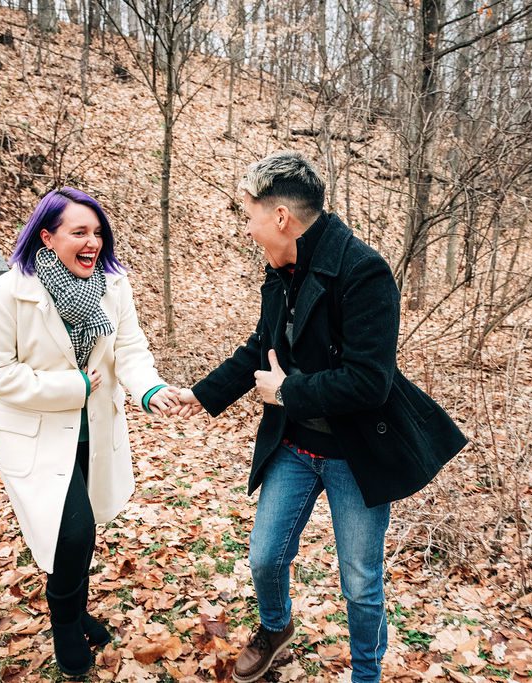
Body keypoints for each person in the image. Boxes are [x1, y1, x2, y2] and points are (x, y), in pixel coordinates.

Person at [175, 152, 468, 683]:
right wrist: (201, 394)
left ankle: (365, 674)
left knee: (360, 581)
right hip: (294, 447)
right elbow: (260, 348)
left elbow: (369, 380)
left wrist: (287, 391)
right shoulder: (281, 271)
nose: (247, 229)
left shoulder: (362, 271)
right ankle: (275, 627)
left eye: (249, 215)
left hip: (354, 455)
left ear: (281, 217)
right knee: (265, 559)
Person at [0, 187, 180, 677]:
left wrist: (148, 389)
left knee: (82, 534)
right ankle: (65, 621)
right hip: (36, 435)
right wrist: (75, 386)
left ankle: (76, 607)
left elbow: (129, 349)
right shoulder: (5, 295)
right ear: (47, 237)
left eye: (98, 233)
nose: (93, 242)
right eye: (79, 232)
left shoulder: (113, 287)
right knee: (72, 532)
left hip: (95, 431)